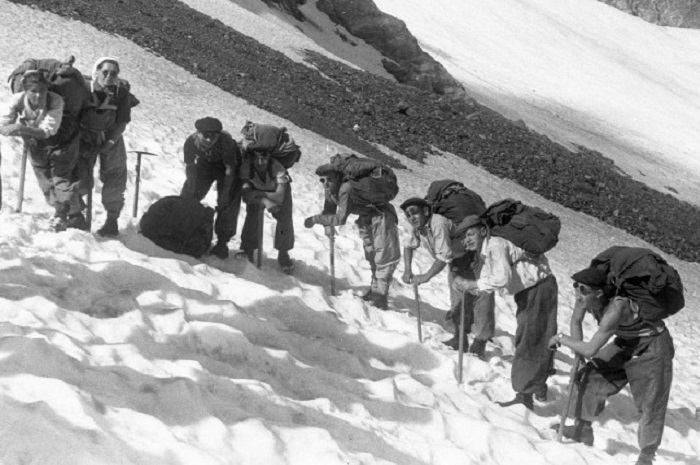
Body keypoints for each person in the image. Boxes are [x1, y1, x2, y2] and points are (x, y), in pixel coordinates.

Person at [548, 267, 674, 465]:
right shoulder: (585, 298)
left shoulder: (616, 308)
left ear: (598, 293)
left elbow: (590, 349)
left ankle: (647, 455)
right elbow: (576, 321)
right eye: (576, 287)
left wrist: (560, 338)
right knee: (588, 375)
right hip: (625, 341)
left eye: (583, 290)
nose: (577, 293)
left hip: (652, 346)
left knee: (651, 403)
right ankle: (582, 429)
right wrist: (578, 357)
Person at [453, 215, 557, 409]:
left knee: (528, 339)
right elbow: (489, 279)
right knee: (536, 337)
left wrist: (472, 284)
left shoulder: (495, 245)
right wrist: (470, 286)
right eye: (463, 237)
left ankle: (525, 394)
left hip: (538, 288)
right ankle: (536, 385)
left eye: (470, 234)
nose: (466, 240)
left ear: (483, 231)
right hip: (534, 289)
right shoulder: (488, 250)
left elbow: (501, 278)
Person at [400, 197, 495, 356]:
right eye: (408, 215)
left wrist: (425, 277)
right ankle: (460, 339)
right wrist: (407, 270)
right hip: (457, 260)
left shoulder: (438, 223)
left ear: (425, 211)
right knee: (457, 301)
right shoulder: (418, 227)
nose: (412, 218)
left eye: (415, 212)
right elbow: (409, 245)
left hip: (472, 257)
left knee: (481, 300)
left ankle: (480, 343)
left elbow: (444, 256)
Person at [304, 164, 401, 310]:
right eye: (322, 180)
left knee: (383, 258)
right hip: (366, 219)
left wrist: (315, 220)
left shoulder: (345, 188)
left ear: (337, 178)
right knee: (371, 256)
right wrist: (326, 225)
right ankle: (374, 291)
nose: (325, 184)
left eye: (329, 179)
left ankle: (380, 297)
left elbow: (340, 218)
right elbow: (329, 211)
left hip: (382, 218)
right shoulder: (330, 191)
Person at [0, 70, 83, 230]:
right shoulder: (18, 100)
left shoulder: (56, 101)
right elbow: (4, 121)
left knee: (61, 177)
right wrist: (9, 126)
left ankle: (62, 214)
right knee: (45, 180)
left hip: (64, 140)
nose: (38, 96)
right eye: (33, 91)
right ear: (25, 90)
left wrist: (19, 127)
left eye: (42, 91)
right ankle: (71, 211)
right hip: (36, 142)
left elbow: (48, 130)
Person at [78, 57, 136, 236]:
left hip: (111, 137)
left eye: (114, 73)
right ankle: (76, 214)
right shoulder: (83, 88)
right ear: (96, 71)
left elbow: (122, 121)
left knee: (115, 176)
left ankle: (112, 221)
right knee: (78, 175)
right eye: (105, 72)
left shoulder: (120, 92)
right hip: (85, 136)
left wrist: (110, 141)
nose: (109, 76)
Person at [180, 117, 242, 259]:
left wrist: (225, 194)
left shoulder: (226, 142)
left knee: (227, 203)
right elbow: (190, 167)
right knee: (188, 196)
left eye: (213, 136)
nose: (209, 140)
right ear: (198, 133)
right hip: (205, 165)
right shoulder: (191, 142)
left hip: (228, 169)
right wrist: (191, 188)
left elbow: (229, 169)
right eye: (205, 136)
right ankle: (185, 231)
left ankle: (222, 242)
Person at [238, 149, 295, 273]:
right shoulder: (246, 166)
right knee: (252, 214)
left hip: (276, 192)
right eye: (256, 158)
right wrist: (264, 200)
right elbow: (247, 195)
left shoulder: (277, 168)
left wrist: (259, 193)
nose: (260, 162)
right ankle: (248, 249)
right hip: (260, 193)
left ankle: (283, 253)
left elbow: (280, 197)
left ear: (269, 157)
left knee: (284, 219)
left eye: (263, 158)